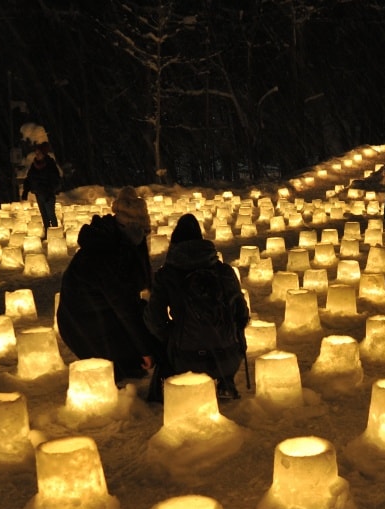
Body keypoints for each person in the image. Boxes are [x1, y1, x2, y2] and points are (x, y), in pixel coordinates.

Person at [56, 187, 160, 388]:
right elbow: (125, 308)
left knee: (144, 323)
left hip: (95, 313)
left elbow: (132, 297)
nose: (145, 238)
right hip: (83, 324)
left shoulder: (116, 242)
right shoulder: (108, 255)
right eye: (143, 232)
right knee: (132, 365)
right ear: (130, 229)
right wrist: (145, 349)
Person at [145, 213, 249, 401]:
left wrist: (173, 336)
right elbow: (242, 314)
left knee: (156, 337)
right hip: (229, 359)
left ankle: (169, 388)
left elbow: (154, 319)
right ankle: (225, 382)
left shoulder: (168, 275)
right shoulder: (224, 271)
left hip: (186, 360)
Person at [22, 142, 61, 233]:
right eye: (36, 153)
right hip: (39, 194)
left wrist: (50, 191)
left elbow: (55, 180)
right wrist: (25, 191)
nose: (37, 155)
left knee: (50, 214)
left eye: (38, 153)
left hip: (48, 195)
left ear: (43, 154)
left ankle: (55, 233)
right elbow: (29, 178)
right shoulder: (34, 165)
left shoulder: (50, 164)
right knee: (44, 215)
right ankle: (48, 233)